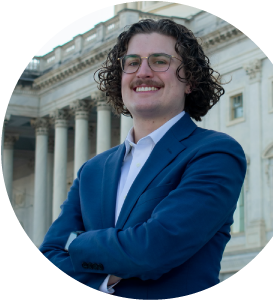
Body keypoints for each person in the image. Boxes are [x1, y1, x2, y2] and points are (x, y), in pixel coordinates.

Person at [39, 18, 247, 299]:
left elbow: (153, 250)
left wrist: (76, 245)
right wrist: (118, 261)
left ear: (190, 80)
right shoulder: (92, 170)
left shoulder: (215, 153)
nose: (144, 72)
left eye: (160, 61)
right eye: (132, 62)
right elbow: (50, 254)